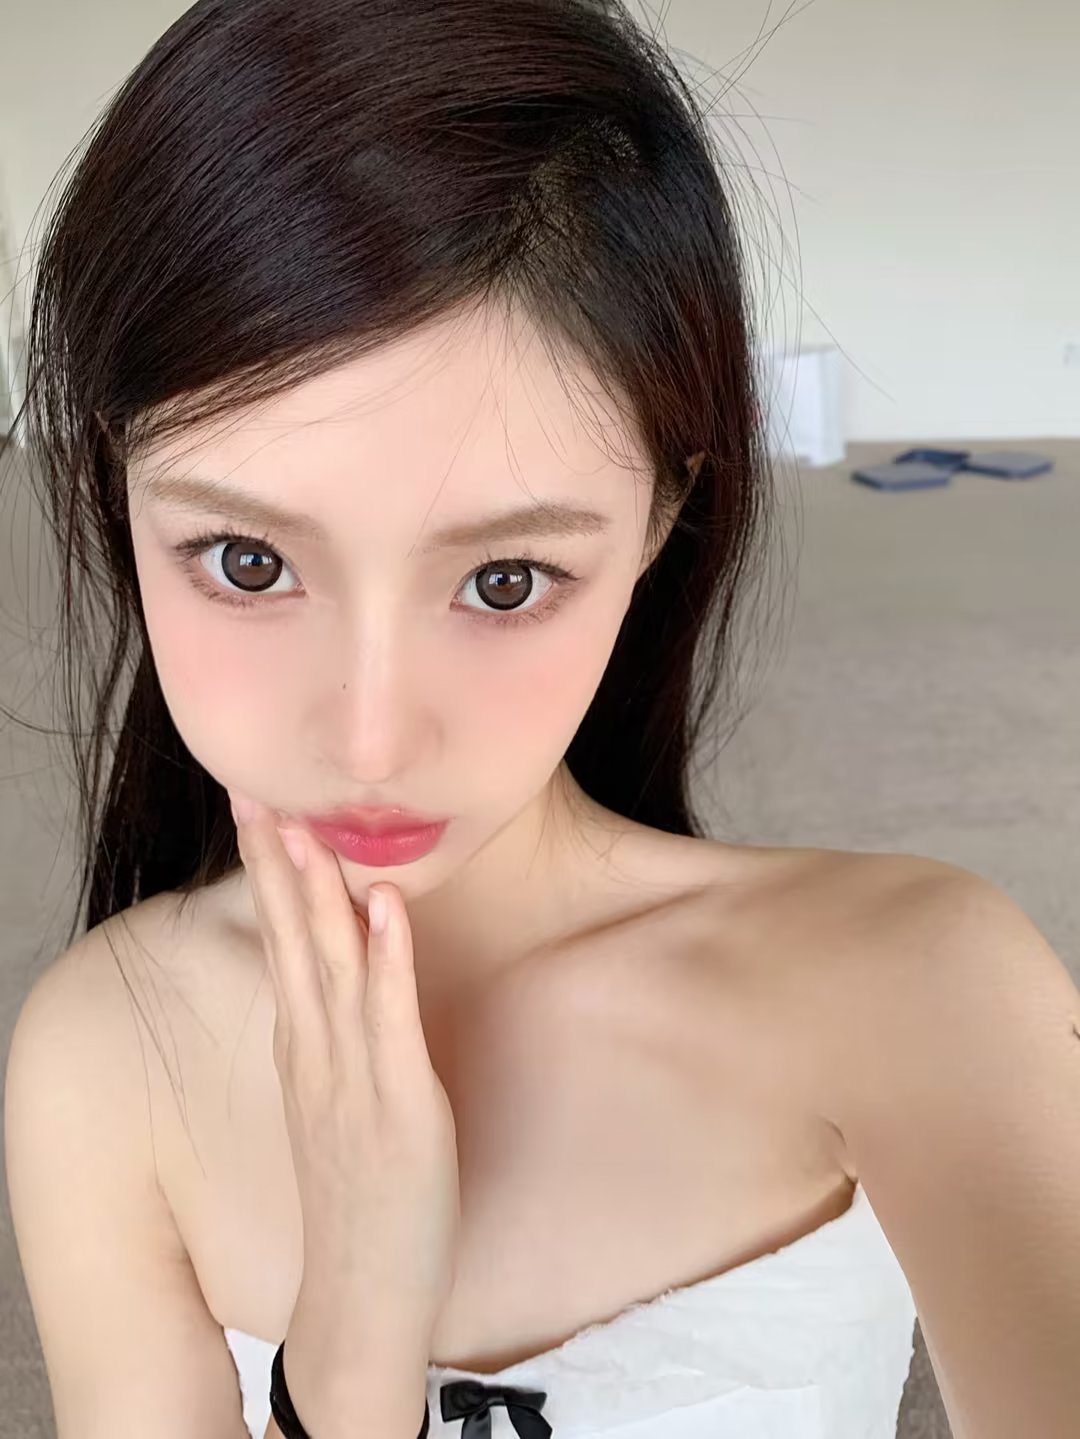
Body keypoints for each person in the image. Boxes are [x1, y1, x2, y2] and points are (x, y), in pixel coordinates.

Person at [4, 2, 1079, 1438]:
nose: (371, 741)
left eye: (504, 580)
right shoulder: (104, 1058)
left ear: (661, 520)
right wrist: (351, 1343)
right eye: (248, 563)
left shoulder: (925, 989)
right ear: (116, 487)